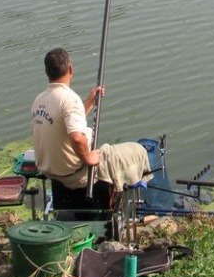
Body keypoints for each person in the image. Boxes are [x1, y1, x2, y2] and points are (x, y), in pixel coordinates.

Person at [31, 48, 152, 193]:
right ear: (71, 68)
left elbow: (63, 124)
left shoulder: (40, 99)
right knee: (138, 151)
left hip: (51, 171)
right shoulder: (69, 99)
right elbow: (76, 138)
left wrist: (89, 102)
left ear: (47, 72)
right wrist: (87, 158)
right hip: (75, 173)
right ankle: (141, 196)